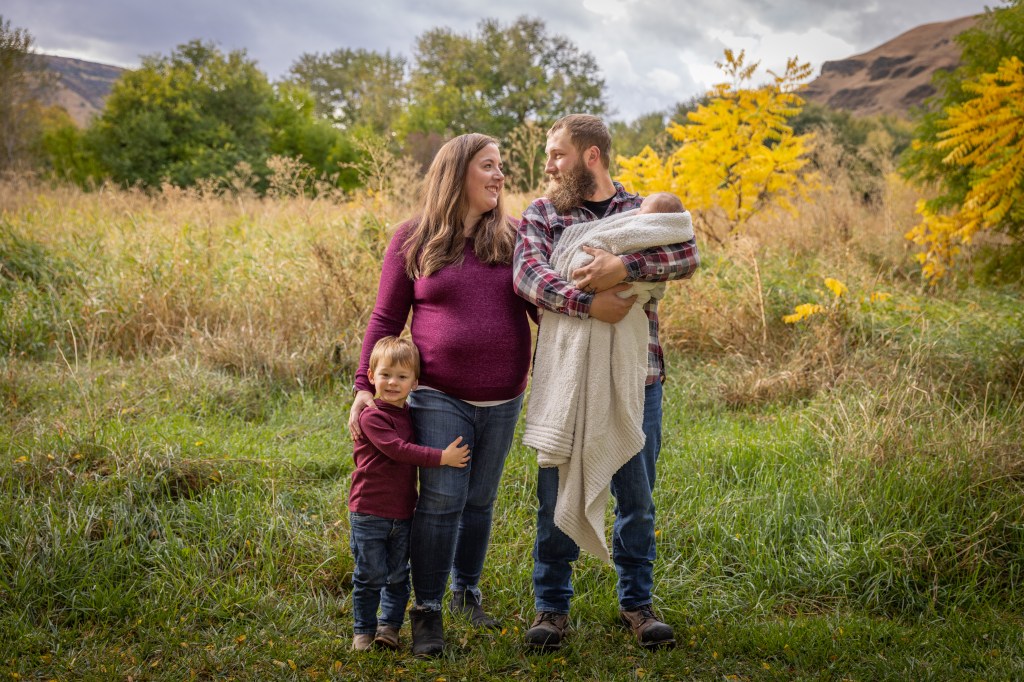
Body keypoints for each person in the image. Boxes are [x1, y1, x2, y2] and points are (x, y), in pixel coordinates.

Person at [513, 114, 700, 650]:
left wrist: (624, 268)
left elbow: (686, 254)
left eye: (557, 155)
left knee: (637, 499)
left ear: (591, 156)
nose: (549, 166)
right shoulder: (544, 213)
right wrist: (589, 303)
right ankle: (551, 608)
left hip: (638, 374)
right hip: (568, 378)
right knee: (554, 491)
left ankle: (637, 605)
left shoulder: (640, 210)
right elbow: (528, 275)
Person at [347, 133, 535, 657]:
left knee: (480, 500)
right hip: (438, 393)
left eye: (501, 166)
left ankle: (467, 592)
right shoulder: (413, 238)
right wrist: (363, 385)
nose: (500, 176)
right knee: (441, 500)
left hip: (504, 397)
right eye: (489, 165)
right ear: (456, 173)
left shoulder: (516, 237)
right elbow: (386, 316)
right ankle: (427, 611)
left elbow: (545, 307)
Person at [349, 336, 471, 652]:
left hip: (402, 511)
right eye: (385, 374)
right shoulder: (372, 416)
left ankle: (389, 628)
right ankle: (363, 630)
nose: (392, 382)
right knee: (370, 574)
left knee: (397, 576)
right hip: (369, 510)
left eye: (402, 376)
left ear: (415, 383)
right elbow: (398, 449)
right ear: (371, 376)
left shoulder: (410, 414)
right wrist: (441, 457)